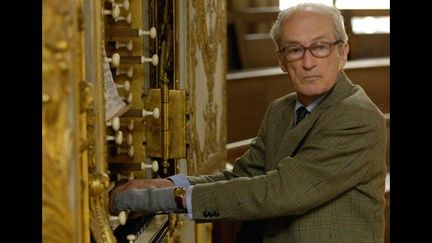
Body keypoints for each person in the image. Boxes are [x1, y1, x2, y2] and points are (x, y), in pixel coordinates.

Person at [110, 3, 387, 242]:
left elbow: (280, 192)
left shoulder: (356, 116)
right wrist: (168, 184)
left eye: (320, 47)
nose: (307, 62)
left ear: (343, 53)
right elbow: (242, 177)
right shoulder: (281, 110)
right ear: (281, 59)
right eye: (294, 50)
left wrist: (164, 200)